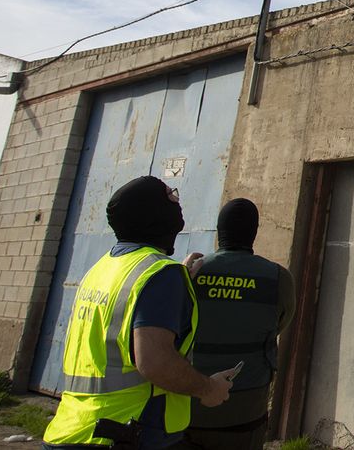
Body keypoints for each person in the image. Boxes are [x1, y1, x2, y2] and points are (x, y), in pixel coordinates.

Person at [44, 176, 236, 450]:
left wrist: (175, 281)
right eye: (170, 196)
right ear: (153, 213)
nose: (177, 201)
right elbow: (154, 362)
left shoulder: (103, 269)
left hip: (73, 429)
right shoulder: (159, 275)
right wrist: (209, 389)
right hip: (129, 433)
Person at [182, 199, 295, 450]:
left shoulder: (190, 273)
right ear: (254, 232)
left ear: (220, 230)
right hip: (245, 408)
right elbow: (281, 323)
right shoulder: (277, 278)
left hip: (187, 404)